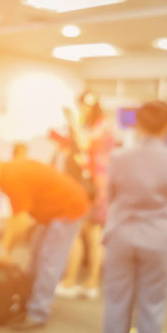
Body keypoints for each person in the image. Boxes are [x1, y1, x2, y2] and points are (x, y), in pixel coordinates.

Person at [97, 100, 167, 333]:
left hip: (122, 234)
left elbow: (111, 195)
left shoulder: (120, 158)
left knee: (116, 303)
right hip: (159, 238)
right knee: (152, 307)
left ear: (137, 124)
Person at [0, 156, 89, 330]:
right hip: (52, 211)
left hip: (67, 209)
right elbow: (16, 216)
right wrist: (6, 249)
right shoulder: (8, 174)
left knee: (49, 260)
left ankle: (37, 313)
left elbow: (20, 222)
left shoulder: (12, 178)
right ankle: (29, 304)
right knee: (37, 254)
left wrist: (7, 251)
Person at [57, 91, 114, 299]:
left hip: (91, 186)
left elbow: (84, 144)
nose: (83, 110)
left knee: (80, 232)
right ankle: (89, 283)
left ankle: (73, 281)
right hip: (91, 185)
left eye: (86, 107)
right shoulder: (95, 124)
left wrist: (73, 122)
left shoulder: (101, 125)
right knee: (91, 233)